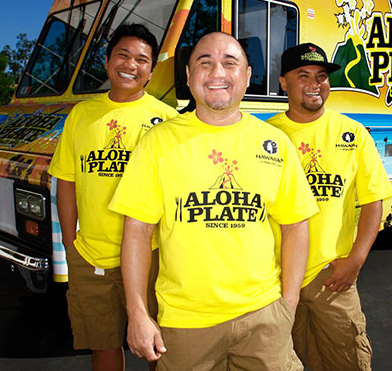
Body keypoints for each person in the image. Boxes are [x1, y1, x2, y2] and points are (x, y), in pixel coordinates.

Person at [109, 32, 318, 371]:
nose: (217, 72)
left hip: (264, 318)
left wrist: (287, 307)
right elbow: (137, 231)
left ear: (248, 77)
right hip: (185, 323)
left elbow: (296, 226)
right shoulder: (158, 142)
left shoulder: (275, 143)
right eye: (204, 63)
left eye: (230, 63)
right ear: (189, 77)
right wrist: (137, 312)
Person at [48, 23, 177, 371]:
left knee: (157, 347)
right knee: (103, 345)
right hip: (91, 254)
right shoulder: (81, 115)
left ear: (150, 72)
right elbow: (67, 181)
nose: (130, 65)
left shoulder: (168, 121)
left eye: (141, 60)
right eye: (123, 55)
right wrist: (70, 243)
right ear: (106, 62)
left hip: (152, 255)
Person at [268, 43, 392, 371]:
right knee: (284, 362)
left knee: (348, 360)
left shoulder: (352, 133)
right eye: (304, 75)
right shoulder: (265, 135)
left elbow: (372, 201)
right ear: (283, 83)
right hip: (275, 279)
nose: (316, 83)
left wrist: (356, 259)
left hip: (331, 278)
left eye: (322, 76)